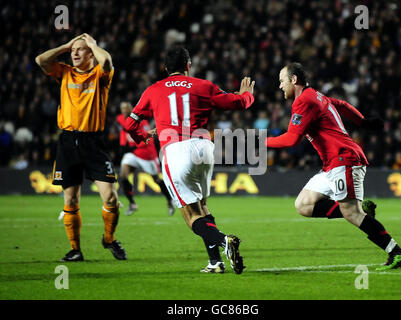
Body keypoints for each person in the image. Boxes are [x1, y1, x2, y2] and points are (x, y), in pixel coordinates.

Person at [266, 63, 401, 271]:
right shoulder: (316, 96)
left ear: (294, 79)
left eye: (281, 80)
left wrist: (260, 142)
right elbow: (341, 105)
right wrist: (363, 122)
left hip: (344, 160)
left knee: (352, 213)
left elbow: (291, 140)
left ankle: (397, 252)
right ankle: (359, 211)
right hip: (332, 164)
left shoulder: (303, 100)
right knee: (304, 205)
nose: (279, 86)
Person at [125, 46, 255, 274]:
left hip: (175, 151)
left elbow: (130, 124)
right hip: (204, 148)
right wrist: (246, 95)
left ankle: (226, 241)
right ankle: (215, 262)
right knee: (202, 206)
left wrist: (143, 137)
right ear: (188, 65)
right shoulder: (204, 86)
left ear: (165, 68)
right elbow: (236, 103)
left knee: (190, 214)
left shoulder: (153, 90)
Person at [35, 34, 127, 261]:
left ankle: (109, 239)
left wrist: (94, 45)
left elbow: (106, 62)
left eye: (80, 50)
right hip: (68, 141)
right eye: (73, 50)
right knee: (71, 200)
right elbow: (40, 60)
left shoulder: (100, 75)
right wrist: (65, 46)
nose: (75, 53)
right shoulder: (65, 72)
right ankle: (75, 249)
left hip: (94, 142)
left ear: (90, 54)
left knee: (111, 198)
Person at [116, 102, 175, 215]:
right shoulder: (120, 119)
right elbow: (124, 132)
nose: (124, 110)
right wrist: (123, 146)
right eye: (122, 108)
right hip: (133, 154)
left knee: (156, 179)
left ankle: (170, 200)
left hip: (147, 155)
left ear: (131, 109)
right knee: (123, 175)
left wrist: (132, 146)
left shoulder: (141, 121)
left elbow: (148, 137)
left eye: (126, 108)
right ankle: (132, 204)